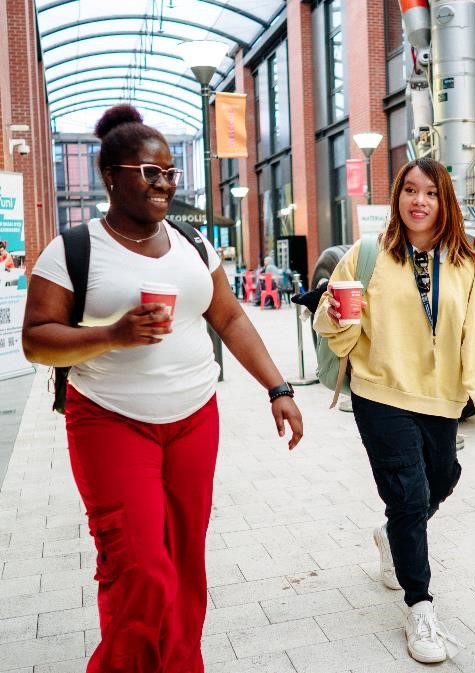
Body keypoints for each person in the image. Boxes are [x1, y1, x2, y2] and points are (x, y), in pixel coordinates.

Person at [22, 104, 303, 673]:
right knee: (140, 566)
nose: (164, 184)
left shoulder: (192, 243)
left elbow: (231, 318)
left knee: (185, 560)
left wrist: (278, 387)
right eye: (149, 172)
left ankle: (180, 664)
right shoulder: (73, 249)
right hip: (109, 420)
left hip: (195, 417)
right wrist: (113, 335)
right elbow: (36, 341)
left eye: (170, 172)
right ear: (111, 176)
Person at [313, 157, 475, 664]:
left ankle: (392, 537)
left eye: (429, 192)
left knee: (442, 479)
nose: (418, 200)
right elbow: (333, 326)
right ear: (397, 197)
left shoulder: (467, 266)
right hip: (380, 392)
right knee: (408, 496)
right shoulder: (368, 255)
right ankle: (420, 604)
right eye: (409, 190)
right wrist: (336, 313)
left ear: (443, 200)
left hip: (441, 397)